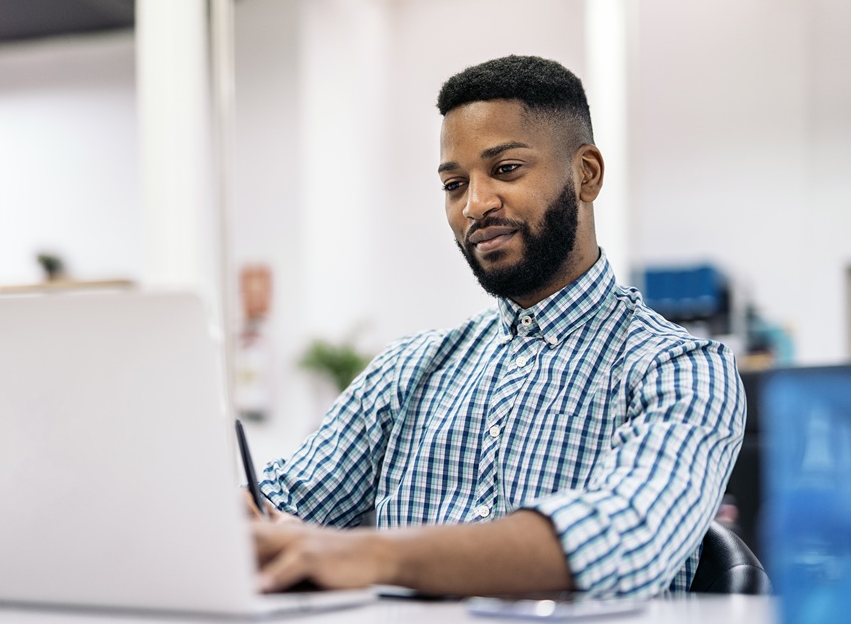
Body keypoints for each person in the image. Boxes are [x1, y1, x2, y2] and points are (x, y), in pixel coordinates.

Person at [251, 55, 745, 598]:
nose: (475, 205)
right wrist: (238, 516)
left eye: (505, 169)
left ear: (587, 174)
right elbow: (282, 502)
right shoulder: (409, 370)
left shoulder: (681, 369)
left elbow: (628, 534)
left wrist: (377, 553)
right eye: (454, 184)